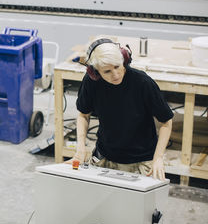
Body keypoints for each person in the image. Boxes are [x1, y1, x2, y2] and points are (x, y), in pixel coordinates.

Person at [68, 38, 173, 181]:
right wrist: (80, 148)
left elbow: (166, 121)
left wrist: (158, 158)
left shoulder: (142, 83)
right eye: (107, 71)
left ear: (124, 60)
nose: (116, 75)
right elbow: (83, 115)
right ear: (95, 72)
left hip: (142, 161)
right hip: (105, 157)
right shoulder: (91, 82)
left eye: (117, 67)